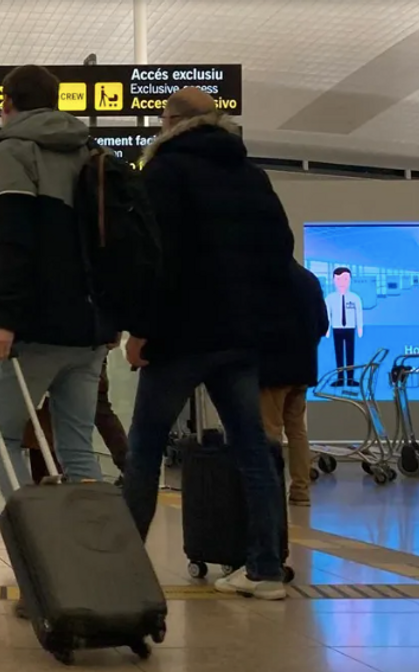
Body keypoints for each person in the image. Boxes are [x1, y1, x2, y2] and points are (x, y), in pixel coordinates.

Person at [123, 87, 295, 600]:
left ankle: (126, 568)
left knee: (145, 451)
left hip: (179, 337)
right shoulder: (253, 177)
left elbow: (156, 261)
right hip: (239, 336)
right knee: (253, 451)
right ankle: (265, 570)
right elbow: (278, 256)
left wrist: (142, 330)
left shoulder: (162, 174)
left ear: (173, 122)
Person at [0, 65, 111, 492]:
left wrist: (2, 319)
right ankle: (93, 543)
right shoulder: (90, 150)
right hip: (90, 328)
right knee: (76, 445)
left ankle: (32, 540)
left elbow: (12, 238)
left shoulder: (13, 149)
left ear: (7, 104)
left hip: (37, 325)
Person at [262, 261, 328, 506]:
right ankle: (301, 492)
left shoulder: (264, 279)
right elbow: (323, 325)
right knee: (298, 431)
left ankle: (272, 493)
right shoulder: (309, 279)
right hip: (303, 368)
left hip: (272, 370)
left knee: (271, 432)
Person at [325, 267, 364, 387]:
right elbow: (327, 315)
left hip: (350, 329)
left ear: (350, 280)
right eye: (338, 279)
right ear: (333, 280)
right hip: (336, 329)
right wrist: (327, 329)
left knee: (350, 354)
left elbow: (359, 313)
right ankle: (340, 378)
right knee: (339, 354)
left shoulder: (355, 298)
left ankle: (351, 379)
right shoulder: (330, 298)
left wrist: (360, 328)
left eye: (345, 279)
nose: (342, 283)